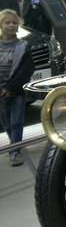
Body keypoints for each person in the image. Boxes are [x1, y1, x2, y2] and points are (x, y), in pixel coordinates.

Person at [0, 9, 34, 167]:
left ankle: (15, 151)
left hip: (16, 91)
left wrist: (11, 87)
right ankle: (15, 143)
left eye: (14, 23)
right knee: (6, 122)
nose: (11, 25)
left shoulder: (23, 46)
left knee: (16, 122)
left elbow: (26, 70)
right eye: (7, 22)